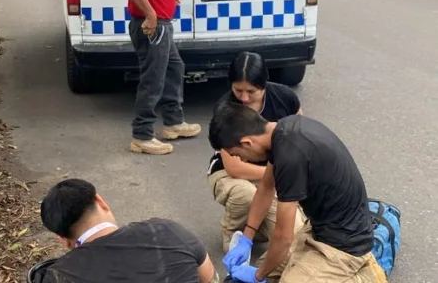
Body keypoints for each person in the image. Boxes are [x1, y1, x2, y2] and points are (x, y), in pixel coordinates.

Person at [208, 101, 387, 283]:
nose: (242, 159)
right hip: (320, 228)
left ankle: (364, 276)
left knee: (274, 275)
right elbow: (266, 188)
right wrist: (247, 238)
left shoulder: (290, 155)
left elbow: (284, 237)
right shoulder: (282, 131)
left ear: (247, 142)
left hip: (344, 245)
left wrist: (257, 275)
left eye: (237, 154)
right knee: (267, 267)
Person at [207, 52, 305, 252]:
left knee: (295, 235)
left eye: (251, 91)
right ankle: (232, 229)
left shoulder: (284, 97)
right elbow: (234, 167)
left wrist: (283, 179)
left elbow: (300, 137)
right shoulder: (225, 109)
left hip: (273, 174)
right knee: (247, 194)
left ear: (264, 83)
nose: (243, 98)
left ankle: (254, 228)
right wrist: (279, 176)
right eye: (237, 90)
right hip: (234, 175)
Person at [35, 178, 219, 283]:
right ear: (100, 201)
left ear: (63, 239)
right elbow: (209, 278)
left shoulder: (57, 276)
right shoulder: (168, 231)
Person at [125, 0, 200, 155]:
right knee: (153, 80)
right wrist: (151, 13)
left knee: (174, 67)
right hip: (155, 28)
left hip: (159, 27)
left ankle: (173, 122)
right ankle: (142, 135)